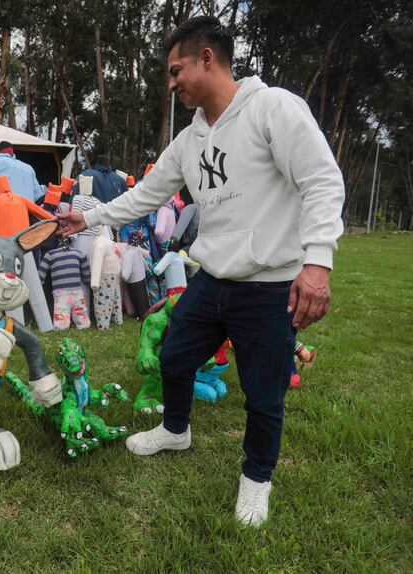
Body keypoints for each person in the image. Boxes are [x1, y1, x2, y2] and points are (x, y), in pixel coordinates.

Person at [57, 16, 344, 527]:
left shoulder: (272, 108)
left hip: (270, 284)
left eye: (176, 70)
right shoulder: (189, 141)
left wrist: (317, 261)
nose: (171, 83)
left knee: (264, 394)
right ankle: (176, 428)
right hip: (211, 280)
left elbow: (322, 180)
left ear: (207, 59)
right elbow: (145, 194)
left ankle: (256, 480)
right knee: (174, 355)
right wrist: (90, 216)